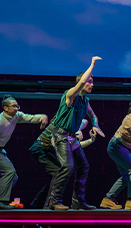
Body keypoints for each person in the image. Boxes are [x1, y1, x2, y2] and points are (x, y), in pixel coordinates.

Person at [45, 57, 105, 210]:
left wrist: (96, 125)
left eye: (92, 81)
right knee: (67, 167)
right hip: (61, 136)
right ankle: (54, 201)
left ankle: (78, 202)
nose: (92, 84)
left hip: (72, 138)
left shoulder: (86, 100)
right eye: (89, 81)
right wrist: (92, 65)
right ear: (82, 82)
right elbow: (80, 84)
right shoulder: (70, 95)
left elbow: (93, 115)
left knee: (83, 166)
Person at [0, 95, 48, 209]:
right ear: (5, 108)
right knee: (9, 172)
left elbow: (30, 117)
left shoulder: (16, 116)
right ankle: (1, 202)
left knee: (13, 177)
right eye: (13, 106)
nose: (16, 108)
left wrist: (42, 117)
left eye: (17, 106)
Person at [29, 118, 97, 209]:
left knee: (59, 175)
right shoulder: (62, 124)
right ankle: (48, 204)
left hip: (47, 150)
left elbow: (84, 122)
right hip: (40, 148)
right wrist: (78, 130)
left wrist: (90, 140)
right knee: (59, 173)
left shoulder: (69, 133)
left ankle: (38, 203)